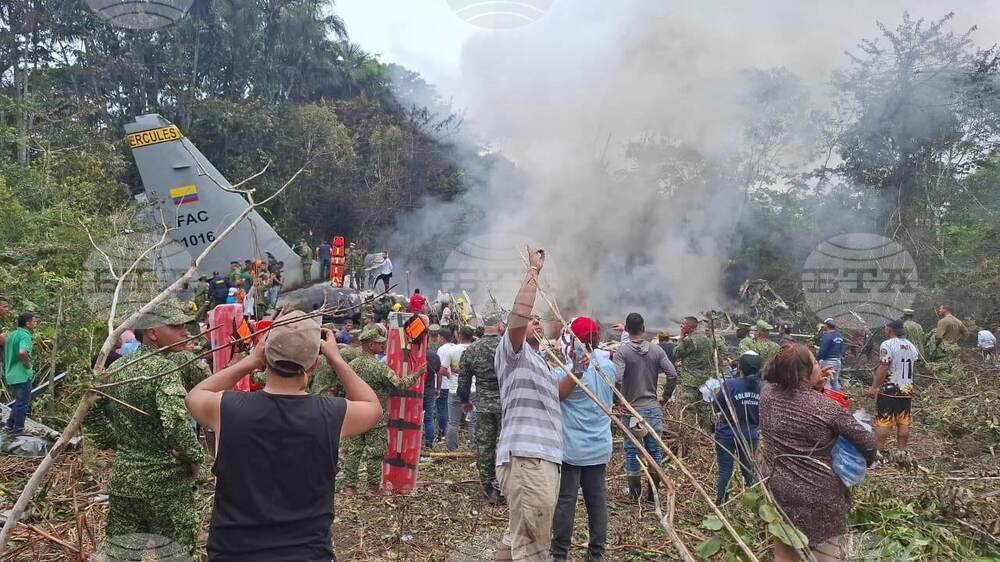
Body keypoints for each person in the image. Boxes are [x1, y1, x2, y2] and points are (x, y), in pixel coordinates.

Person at [185, 310, 383, 561]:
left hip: (234, 552)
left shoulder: (228, 408)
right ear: (313, 364)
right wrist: (336, 359)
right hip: (307, 553)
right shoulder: (331, 414)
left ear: (265, 355)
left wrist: (248, 362)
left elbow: (194, 396)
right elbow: (372, 406)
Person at [83, 301, 203, 554]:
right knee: (175, 554)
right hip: (165, 486)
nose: (185, 332)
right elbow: (178, 425)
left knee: (124, 554)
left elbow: (89, 412)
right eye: (176, 326)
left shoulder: (117, 368)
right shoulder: (164, 370)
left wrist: (118, 442)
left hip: (124, 481)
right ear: (153, 333)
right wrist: (195, 458)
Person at [760, 344, 878, 562]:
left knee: (785, 555)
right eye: (815, 362)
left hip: (777, 488)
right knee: (826, 556)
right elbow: (869, 444)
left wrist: (814, 388)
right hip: (820, 494)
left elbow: (796, 406)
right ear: (803, 372)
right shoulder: (827, 408)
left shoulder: (767, 395)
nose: (819, 366)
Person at [494, 247, 562, 561]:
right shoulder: (512, 353)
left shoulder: (540, 361)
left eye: (539, 320)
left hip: (540, 458)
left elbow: (559, 395)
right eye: (531, 319)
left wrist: (581, 368)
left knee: (519, 537)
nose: (535, 322)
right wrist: (533, 272)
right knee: (533, 547)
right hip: (527, 458)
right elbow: (518, 317)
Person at [550, 316, 615, 562]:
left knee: (566, 501)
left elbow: (556, 394)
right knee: (597, 500)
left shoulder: (568, 370)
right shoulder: (607, 365)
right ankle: (596, 553)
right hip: (600, 445)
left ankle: (559, 554)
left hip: (572, 448)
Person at [340, 324, 422, 494]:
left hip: (354, 413)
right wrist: (417, 374)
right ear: (371, 345)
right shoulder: (378, 367)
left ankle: (349, 487)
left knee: (353, 451)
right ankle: (372, 487)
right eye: (380, 344)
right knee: (375, 452)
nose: (383, 347)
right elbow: (399, 384)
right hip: (374, 415)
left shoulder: (351, 365)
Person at [612, 312, 677, 500]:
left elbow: (616, 378)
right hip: (653, 408)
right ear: (643, 328)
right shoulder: (656, 351)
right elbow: (672, 374)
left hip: (633, 410)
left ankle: (634, 493)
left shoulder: (622, 352)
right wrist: (664, 397)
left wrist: (619, 401)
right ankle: (653, 493)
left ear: (626, 327)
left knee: (633, 450)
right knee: (654, 448)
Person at [458, 310, 504, 504]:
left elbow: (463, 382)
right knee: (506, 447)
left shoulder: (472, 350)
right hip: (507, 404)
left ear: (484, 326)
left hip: (483, 404)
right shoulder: (508, 347)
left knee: (485, 447)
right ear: (500, 325)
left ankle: (488, 487)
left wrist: (465, 401)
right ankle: (505, 485)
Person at [712, 352, 762, 505]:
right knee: (748, 469)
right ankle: (756, 503)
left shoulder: (730, 384)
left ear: (740, 367)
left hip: (726, 434)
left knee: (725, 469)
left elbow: (716, 405)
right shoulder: (763, 388)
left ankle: (721, 502)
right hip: (750, 435)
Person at [867, 320, 919, 452]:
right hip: (906, 389)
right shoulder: (911, 346)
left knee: (884, 420)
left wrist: (874, 387)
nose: (884, 331)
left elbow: (884, 366)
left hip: (889, 390)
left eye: (885, 329)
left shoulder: (887, 344)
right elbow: (913, 367)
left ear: (890, 330)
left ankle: (877, 452)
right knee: (904, 420)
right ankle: (901, 452)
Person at [674, 316, 726, 424]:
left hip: (690, 381)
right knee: (703, 409)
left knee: (689, 409)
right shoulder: (707, 340)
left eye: (683, 324)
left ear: (691, 327)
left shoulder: (689, 340)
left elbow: (676, 353)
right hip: (705, 381)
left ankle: (691, 434)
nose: (681, 326)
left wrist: (681, 337)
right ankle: (705, 435)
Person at [4, 312, 37, 435]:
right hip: (22, 374)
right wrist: (27, 365)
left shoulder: (12, 334)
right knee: (23, 403)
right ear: (27, 324)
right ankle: (18, 428)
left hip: (11, 374)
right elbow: (22, 352)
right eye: (34, 321)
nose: (35, 323)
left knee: (18, 401)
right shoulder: (24, 336)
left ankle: (9, 425)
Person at [444, 325, 474, 451]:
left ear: (459, 335)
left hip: (454, 389)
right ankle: (475, 449)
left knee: (453, 422)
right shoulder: (475, 349)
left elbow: (442, 369)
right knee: (473, 422)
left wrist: (451, 376)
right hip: (472, 389)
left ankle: (451, 449)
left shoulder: (452, 350)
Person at [432, 327, 456, 446]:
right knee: (451, 409)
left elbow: (440, 370)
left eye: (438, 337)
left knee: (442, 409)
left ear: (441, 337)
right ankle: (451, 432)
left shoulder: (441, 350)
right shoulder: (454, 347)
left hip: (445, 384)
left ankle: (444, 431)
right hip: (454, 383)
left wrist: (438, 387)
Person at [422, 344, 443, 448]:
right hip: (429, 390)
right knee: (429, 418)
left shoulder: (413, 354)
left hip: (415, 391)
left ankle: (415, 441)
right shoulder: (434, 356)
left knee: (414, 417)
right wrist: (438, 388)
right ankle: (429, 442)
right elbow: (439, 374)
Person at [816, 318, 844, 391]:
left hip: (828, 362)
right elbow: (841, 348)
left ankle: (827, 400)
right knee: (835, 382)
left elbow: (823, 350)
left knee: (826, 383)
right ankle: (836, 399)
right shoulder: (839, 335)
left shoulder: (827, 336)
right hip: (838, 361)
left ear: (826, 325)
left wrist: (817, 359)